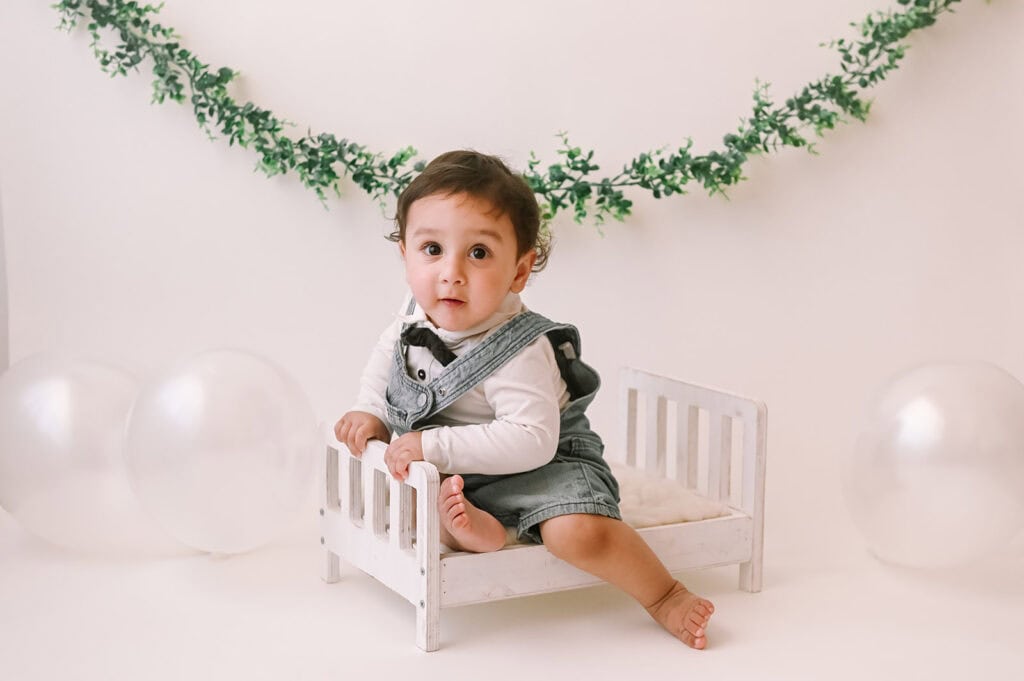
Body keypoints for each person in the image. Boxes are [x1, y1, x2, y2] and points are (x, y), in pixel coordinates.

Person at [334, 150, 715, 649]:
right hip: (466, 467)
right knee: (423, 499)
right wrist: (372, 411)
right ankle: (481, 530)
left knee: (577, 534)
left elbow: (532, 440)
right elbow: (386, 365)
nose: (451, 273)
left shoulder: (520, 348)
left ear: (518, 271)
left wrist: (433, 445)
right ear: (405, 253)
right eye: (431, 249)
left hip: (546, 461)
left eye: (478, 253)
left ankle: (664, 594)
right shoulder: (411, 320)